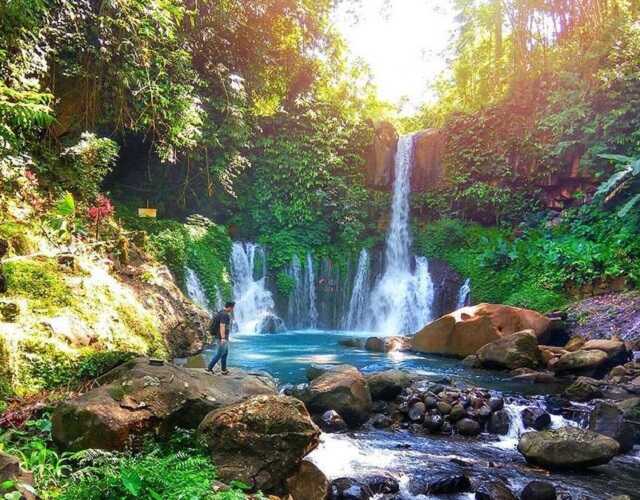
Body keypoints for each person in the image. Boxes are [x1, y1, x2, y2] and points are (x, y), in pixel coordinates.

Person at [207, 301, 235, 375]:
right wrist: (223, 338)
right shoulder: (224, 315)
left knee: (225, 353)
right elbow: (222, 326)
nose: (233, 309)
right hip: (222, 337)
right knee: (219, 354)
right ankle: (209, 368)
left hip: (221, 337)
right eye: (232, 308)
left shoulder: (220, 312)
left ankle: (223, 369)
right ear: (230, 307)